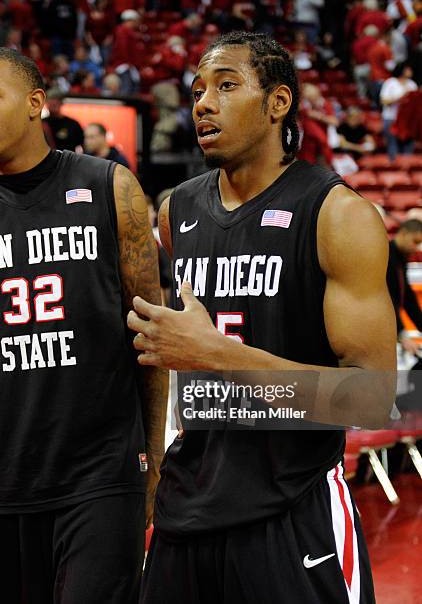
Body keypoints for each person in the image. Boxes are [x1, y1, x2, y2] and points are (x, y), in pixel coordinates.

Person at [127, 32, 396, 603]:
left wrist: (218, 356)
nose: (203, 102)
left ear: (278, 103)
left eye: (226, 86)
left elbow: (372, 399)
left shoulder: (339, 214)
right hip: (186, 507)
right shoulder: (179, 210)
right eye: (198, 89)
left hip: (291, 510)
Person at [0, 47, 167, 604]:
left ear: (35, 104)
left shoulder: (109, 187)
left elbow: (152, 335)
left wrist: (153, 457)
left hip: (98, 476)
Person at [386, 219, 422, 356]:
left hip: (391, 323)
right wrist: (401, 333)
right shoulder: (386, 255)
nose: (416, 248)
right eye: (415, 241)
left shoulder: (401, 258)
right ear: (404, 233)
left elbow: (407, 298)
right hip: (379, 324)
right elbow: (387, 297)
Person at [380, 62, 417, 160]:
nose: (410, 71)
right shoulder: (391, 82)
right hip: (391, 118)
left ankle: (407, 171)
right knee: (393, 147)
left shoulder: (412, 84)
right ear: (401, 70)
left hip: (407, 121)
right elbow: (384, 101)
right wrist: (400, 98)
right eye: (408, 69)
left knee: (408, 148)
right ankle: (393, 169)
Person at [43, 88, 84, 152]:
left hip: (68, 160)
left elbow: (83, 145)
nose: (54, 103)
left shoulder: (73, 124)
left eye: (57, 100)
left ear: (61, 102)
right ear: (46, 103)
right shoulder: (41, 124)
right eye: (51, 100)